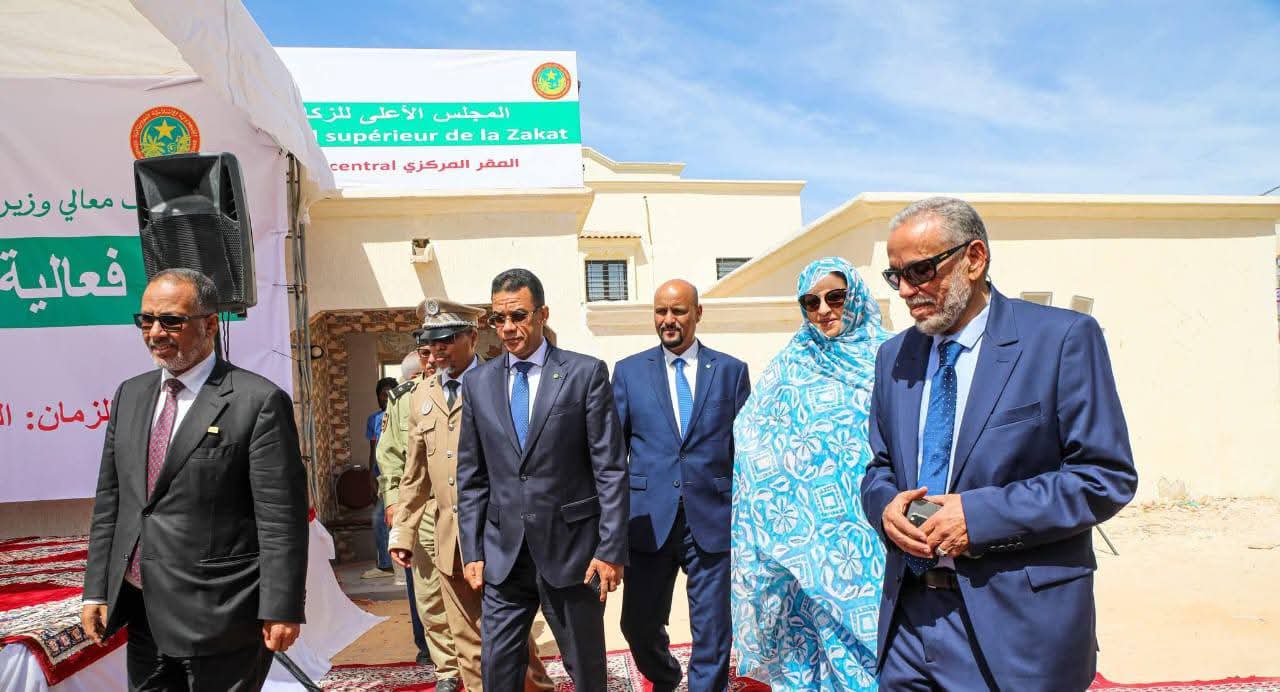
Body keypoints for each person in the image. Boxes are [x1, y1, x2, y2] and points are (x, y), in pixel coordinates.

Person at [861, 197, 1138, 690]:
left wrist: (978, 517)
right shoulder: (893, 358)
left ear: (974, 258)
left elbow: (1103, 477)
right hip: (909, 625)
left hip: (1016, 631)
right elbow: (879, 468)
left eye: (920, 271)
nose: (905, 290)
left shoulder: (1061, 340)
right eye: (894, 275)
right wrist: (885, 508)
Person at [81, 268, 308, 691]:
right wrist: (96, 590)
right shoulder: (131, 395)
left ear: (209, 324)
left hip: (222, 614)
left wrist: (282, 606)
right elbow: (112, 501)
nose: (155, 332)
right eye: (146, 320)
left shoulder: (256, 401)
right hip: (144, 610)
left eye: (171, 320)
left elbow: (281, 518)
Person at [456, 268, 628, 690]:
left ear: (542, 314)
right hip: (503, 557)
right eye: (498, 318)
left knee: (586, 672)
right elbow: (471, 475)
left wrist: (610, 549)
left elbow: (609, 468)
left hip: (572, 555)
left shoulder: (584, 373)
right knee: (497, 671)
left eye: (518, 315)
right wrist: (472, 549)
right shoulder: (477, 383)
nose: (508, 328)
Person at [730, 257, 890, 691]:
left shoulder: (891, 356)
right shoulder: (792, 361)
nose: (823, 310)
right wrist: (788, 498)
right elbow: (750, 431)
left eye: (835, 297)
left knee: (875, 647)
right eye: (810, 302)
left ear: (855, 296)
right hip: (806, 540)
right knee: (811, 650)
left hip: (872, 533)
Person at [389, 298, 554, 692]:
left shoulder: (501, 382)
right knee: (466, 640)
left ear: (472, 336)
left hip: (497, 535)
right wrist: (403, 532)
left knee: (510, 635)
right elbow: (415, 473)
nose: (437, 351)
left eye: (446, 340)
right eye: (430, 342)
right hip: (449, 537)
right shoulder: (421, 395)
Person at [612, 279, 750, 691]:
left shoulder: (730, 371)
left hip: (713, 516)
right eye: (661, 311)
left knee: (713, 628)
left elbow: (745, 451)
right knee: (637, 624)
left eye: (678, 311)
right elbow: (612, 453)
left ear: (698, 313)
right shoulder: (629, 372)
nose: (668, 320)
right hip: (648, 519)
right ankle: (666, 675)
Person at [377, 346, 455, 672]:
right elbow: (390, 454)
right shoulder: (404, 397)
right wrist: (393, 501)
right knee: (425, 588)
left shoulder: (478, 385)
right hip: (419, 506)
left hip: (464, 504)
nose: (431, 359)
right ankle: (435, 654)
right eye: (425, 351)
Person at [363, 376, 399, 581]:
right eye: (382, 395)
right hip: (382, 477)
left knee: (383, 518)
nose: (385, 398)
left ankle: (388, 564)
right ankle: (385, 564)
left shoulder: (402, 414)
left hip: (400, 475)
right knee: (380, 518)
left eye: (389, 394)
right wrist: (371, 476)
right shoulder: (374, 419)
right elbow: (373, 450)